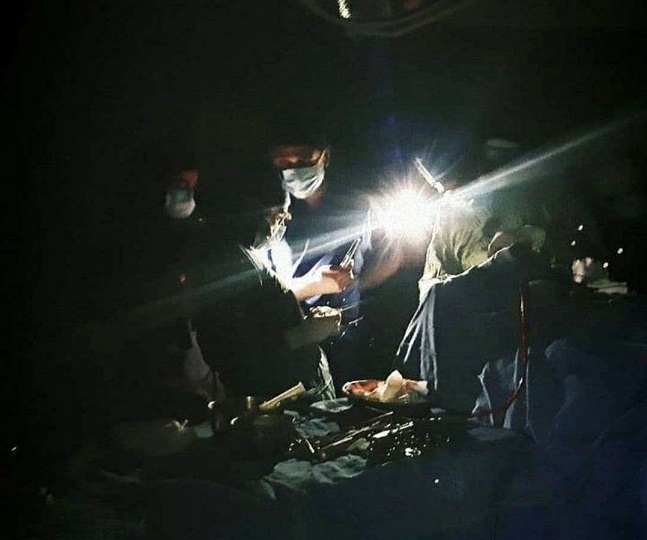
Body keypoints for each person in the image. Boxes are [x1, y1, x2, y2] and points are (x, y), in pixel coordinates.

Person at [256, 124, 382, 387]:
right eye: (283, 162)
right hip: (292, 341)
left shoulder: (357, 205)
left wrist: (357, 284)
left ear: (325, 156)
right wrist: (310, 286)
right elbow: (254, 300)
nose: (293, 169)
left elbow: (389, 257)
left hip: (348, 336)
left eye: (303, 159)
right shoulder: (272, 215)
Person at [417, 139, 547, 303]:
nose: (442, 188)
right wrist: (489, 264)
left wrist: (524, 239)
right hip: (485, 308)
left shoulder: (528, 195)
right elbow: (431, 291)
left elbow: (558, 244)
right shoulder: (451, 217)